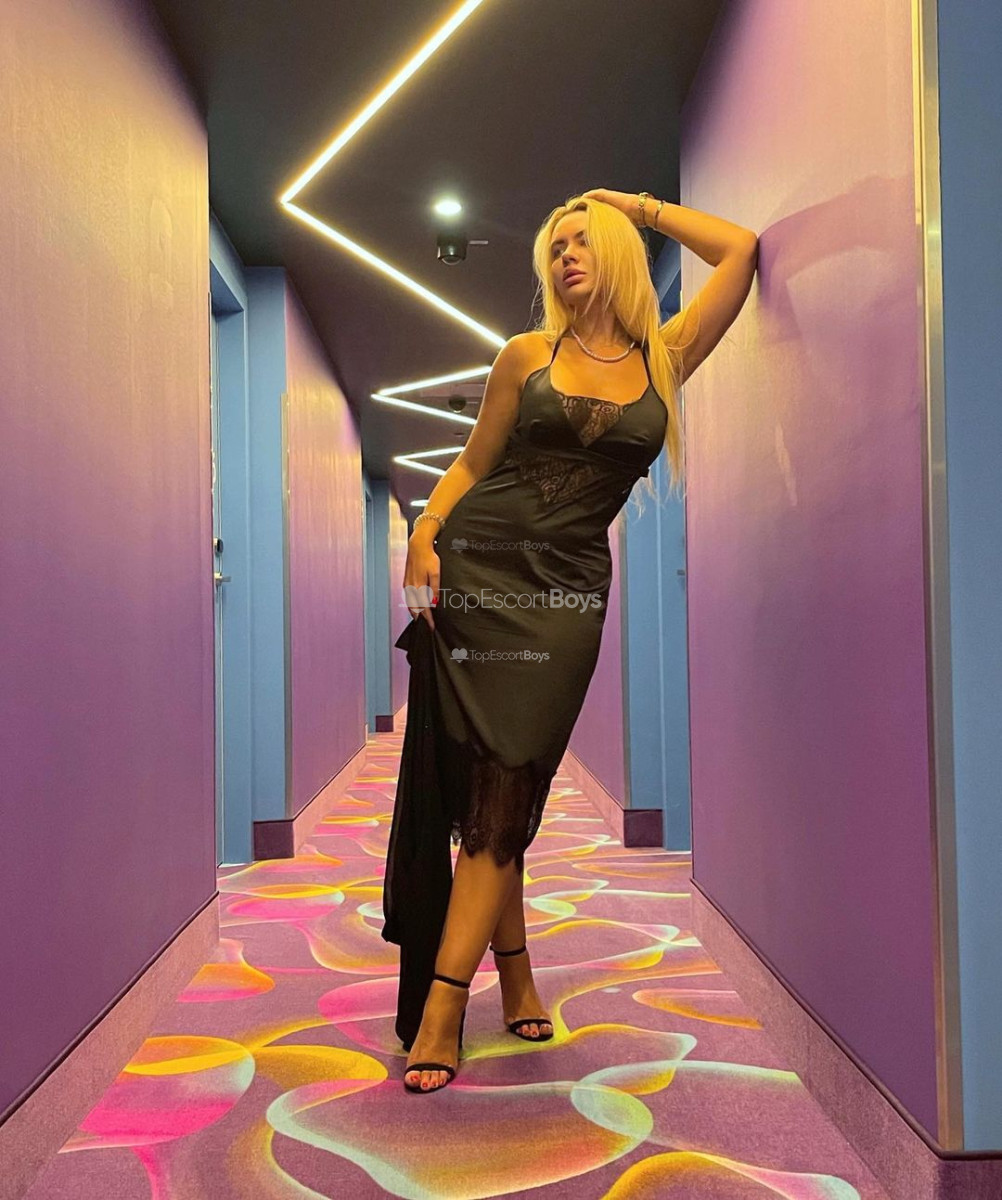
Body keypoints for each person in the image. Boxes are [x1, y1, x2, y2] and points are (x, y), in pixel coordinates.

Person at [381, 188, 759, 1093]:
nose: (567, 255)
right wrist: (425, 530)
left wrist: (637, 206)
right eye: (556, 245)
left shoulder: (666, 356)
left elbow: (740, 251)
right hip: (479, 573)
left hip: (565, 598)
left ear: (618, 252)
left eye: (584, 241)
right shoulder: (527, 355)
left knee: (511, 779)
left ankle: (466, 988)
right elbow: (474, 462)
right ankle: (471, 993)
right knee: (493, 792)